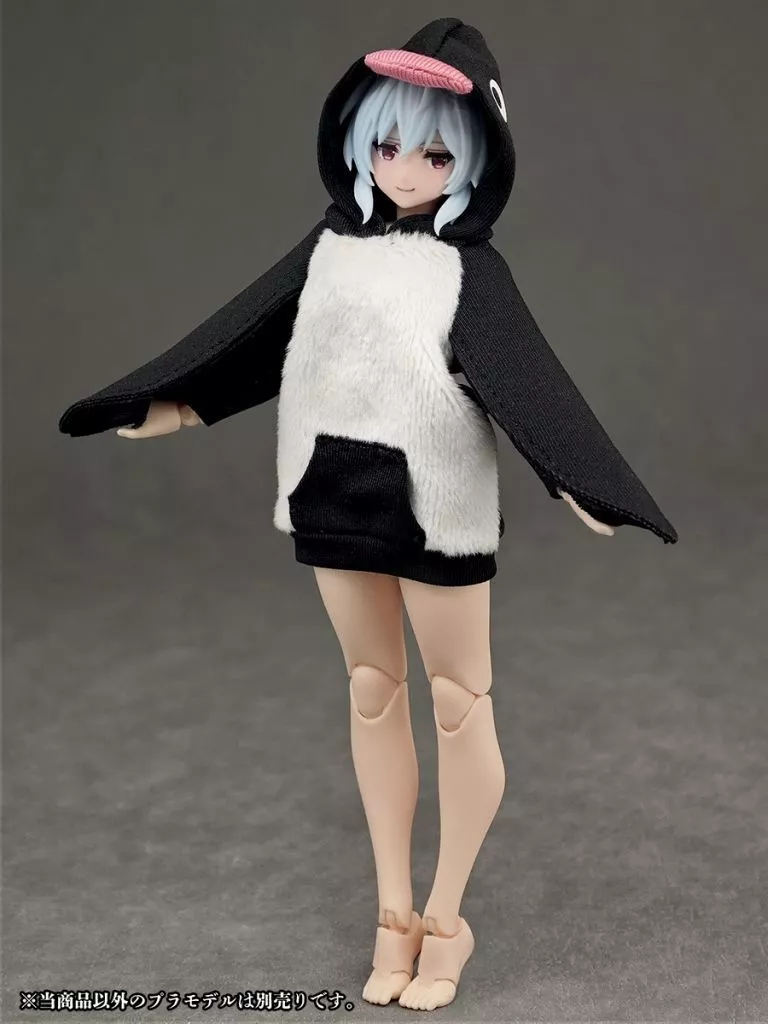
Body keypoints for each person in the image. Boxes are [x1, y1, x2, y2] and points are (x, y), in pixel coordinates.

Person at [59, 17, 677, 1012]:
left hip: (437, 503)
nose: (403, 167)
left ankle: (448, 913)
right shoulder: (332, 249)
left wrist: (577, 479)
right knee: (371, 688)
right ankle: (393, 909)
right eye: (386, 142)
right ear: (355, 138)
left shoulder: (468, 269)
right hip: (329, 487)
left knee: (459, 699)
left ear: (476, 160)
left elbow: (526, 381)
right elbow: (254, 334)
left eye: (435, 153)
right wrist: (179, 403)